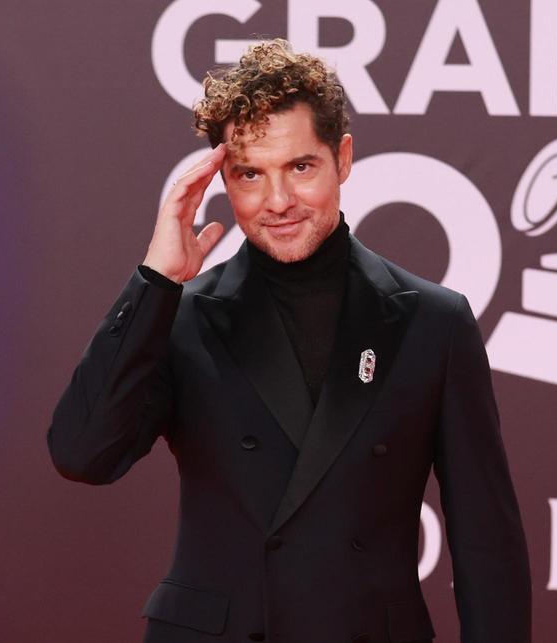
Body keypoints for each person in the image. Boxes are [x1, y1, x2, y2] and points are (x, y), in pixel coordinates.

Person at [48, 38, 531, 643]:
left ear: (343, 159)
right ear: (221, 179)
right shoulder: (178, 315)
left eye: (300, 167)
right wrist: (154, 281)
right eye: (250, 174)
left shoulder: (432, 322)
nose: (278, 202)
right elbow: (81, 453)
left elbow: (486, 540)